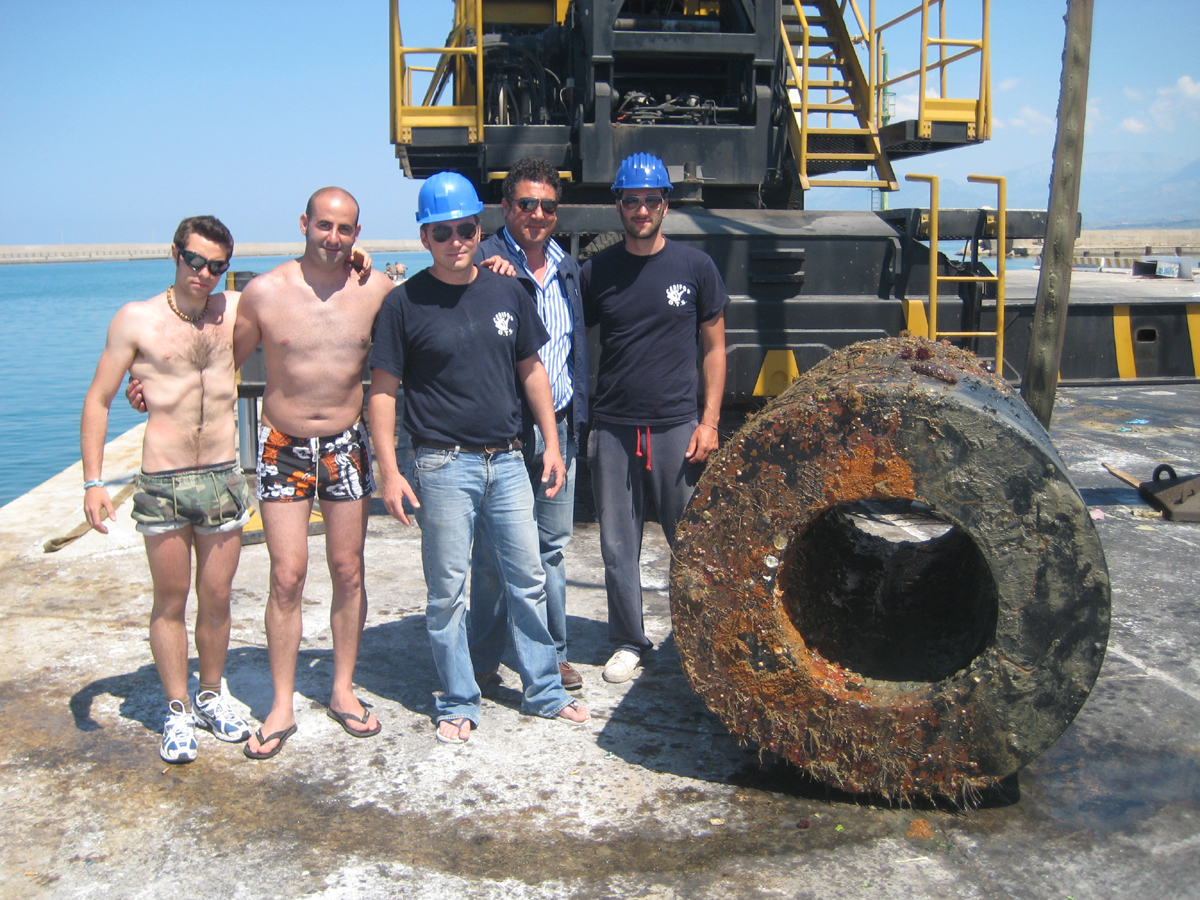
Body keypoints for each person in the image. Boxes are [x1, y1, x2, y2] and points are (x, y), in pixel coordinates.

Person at [367, 172, 589, 744]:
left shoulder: (507, 291)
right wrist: (389, 471)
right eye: (441, 232)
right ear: (424, 237)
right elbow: (382, 393)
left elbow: (533, 372)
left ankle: (545, 691)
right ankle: (459, 700)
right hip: (442, 466)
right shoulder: (402, 304)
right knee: (447, 593)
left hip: (509, 461)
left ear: (477, 228)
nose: (455, 241)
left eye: (465, 229)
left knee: (528, 579)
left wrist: (553, 445)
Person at [82, 215, 255, 763]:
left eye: (217, 266)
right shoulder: (136, 319)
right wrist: (93, 481)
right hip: (163, 482)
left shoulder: (234, 310)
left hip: (223, 476)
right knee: (171, 599)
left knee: (218, 596)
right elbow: (98, 399)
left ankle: (211, 694)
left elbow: (298, 286)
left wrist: (359, 262)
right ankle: (177, 708)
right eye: (195, 260)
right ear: (175, 253)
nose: (204, 273)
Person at [235, 187, 394, 759]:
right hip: (282, 444)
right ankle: (281, 704)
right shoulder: (264, 292)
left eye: (344, 229)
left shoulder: (375, 289)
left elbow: (432, 314)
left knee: (349, 571)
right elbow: (219, 361)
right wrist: (149, 386)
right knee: (287, 575)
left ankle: (342, 689)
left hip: (346, 444)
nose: (333, 237)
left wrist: (494, 266)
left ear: (357, 234)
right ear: (304, 223)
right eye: (324, 225)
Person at [581, 153, 729, 684]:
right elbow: (553, 318)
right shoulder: (597, 272)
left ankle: (702, 638)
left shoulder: (695, 267)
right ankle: (629, 641)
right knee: (617, 547)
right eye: (631, 201)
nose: (641, 209)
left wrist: (709, 422)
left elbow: (714, 348)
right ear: (618, 206)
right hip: (614, 427)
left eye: (650, 200)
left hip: (676, 428)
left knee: (691, 542)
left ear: (666, 204)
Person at [469, 157, 588, 693]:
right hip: (504, 433)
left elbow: (572, 349)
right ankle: (483, 657)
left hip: (558, 427)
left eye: (547, 206)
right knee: (492, 552)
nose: (537, 214)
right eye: (526, 204)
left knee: (551, 547)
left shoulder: (567, 267)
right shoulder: (481, 259)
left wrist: (570, 427)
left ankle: (553, 654)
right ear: (505, 207)